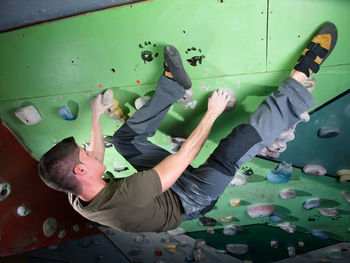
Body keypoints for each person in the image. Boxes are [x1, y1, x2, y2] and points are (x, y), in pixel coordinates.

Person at [38, 23, 337, 232]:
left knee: (124, 140)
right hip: (190, 200)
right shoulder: (124, 197)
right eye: (85, 153)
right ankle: (302, 76)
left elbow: (97, 159)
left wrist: (95, 115)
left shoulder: (77, 192)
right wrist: (213, 112)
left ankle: (174, 85)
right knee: (232, 150)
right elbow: (183, 158)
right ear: (80, 170)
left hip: (155, 193)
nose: (91, 151)